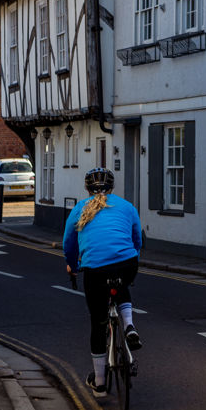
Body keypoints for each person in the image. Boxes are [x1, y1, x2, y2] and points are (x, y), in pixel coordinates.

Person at [64, 167, 143, 398]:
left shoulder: (80, 208)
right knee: (122, 286)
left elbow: (69, 243)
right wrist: (132, 258)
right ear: (113, 186)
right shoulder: (127, 206)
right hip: (127, 263)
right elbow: (137, 237)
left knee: (98, 323)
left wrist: (73, 265)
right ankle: (129, 325)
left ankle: (99, 383)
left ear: (87, 188)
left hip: (95, 269)